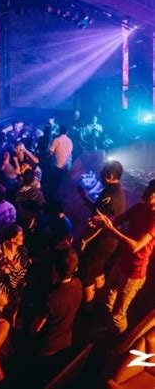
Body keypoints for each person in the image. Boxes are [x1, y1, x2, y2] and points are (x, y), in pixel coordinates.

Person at [91, 181, 155, 333]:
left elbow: (136, 246)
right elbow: (116, 221)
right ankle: (107, 330)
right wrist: (103, 220)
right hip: (121, 263)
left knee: (118, 315)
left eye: (152, 192)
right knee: (108, 299)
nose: (148, 192)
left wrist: (110, 229)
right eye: (149, 188)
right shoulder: (139, 207)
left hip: (134, 273)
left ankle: (121, 341)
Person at [32, 248, 82, 382]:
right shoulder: (78, 284)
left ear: (54, 269)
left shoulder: (51, 298)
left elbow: (36, 327)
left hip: (47, 347)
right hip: (65, 341)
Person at [80, 160, 126, 303]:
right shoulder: (115, 190)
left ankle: (88, 307)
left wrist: (85, 240)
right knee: (98, 269)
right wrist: (84, 197)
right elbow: (99, 212)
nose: (100, 173)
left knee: (87, 274)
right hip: (109, 242)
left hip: (102, 241)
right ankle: (98, 298)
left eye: (103, 171)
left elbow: (100, 224)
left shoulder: (109, 196)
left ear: (110, 176)